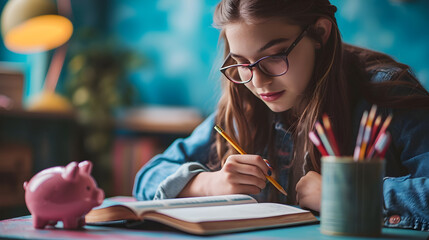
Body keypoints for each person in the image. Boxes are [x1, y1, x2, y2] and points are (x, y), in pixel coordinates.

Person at [133, 0, 429, 231]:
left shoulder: (386, 93)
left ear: (320, 33)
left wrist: (347, 195)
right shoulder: (244, 107)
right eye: (241, 62)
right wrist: (210, 184)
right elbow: (147, 178)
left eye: (274, 56)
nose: (258, 82)